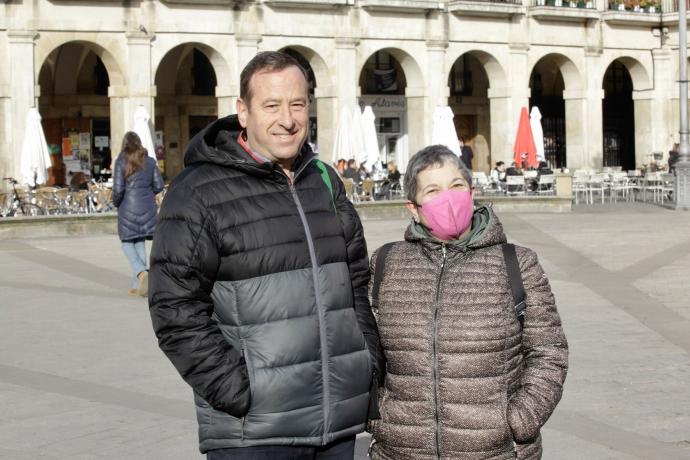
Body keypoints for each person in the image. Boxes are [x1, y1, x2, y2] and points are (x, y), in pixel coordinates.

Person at [148, 51, 385, 459]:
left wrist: (367, 363)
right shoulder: (198, 190)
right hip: (255, 433)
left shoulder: (324, 180)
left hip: (336, 424)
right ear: (243, 111)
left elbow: (356, 281)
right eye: (271, 105)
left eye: (297, 104)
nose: (287, 119)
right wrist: (238, 390)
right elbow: (174, 306)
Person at [367, 145, 568, 460]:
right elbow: (365, 352)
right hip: (400, 450)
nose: (447, 198)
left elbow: (549, 354)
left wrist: (519, 420)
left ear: (472, 192)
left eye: (456, 186)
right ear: (413, 207)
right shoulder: (385, 264)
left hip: (495, 451)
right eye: (432, 191)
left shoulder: (517, 263)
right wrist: (378, 415)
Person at [112, 131, 164, 297]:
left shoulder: (121, 162)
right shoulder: (149, 161)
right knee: (139, 241)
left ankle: (141, 273)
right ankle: (138, 286)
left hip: (128, 208)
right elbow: (159, 185)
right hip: (147, 209)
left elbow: (118, 189)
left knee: (126, 243)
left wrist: (116, 202)